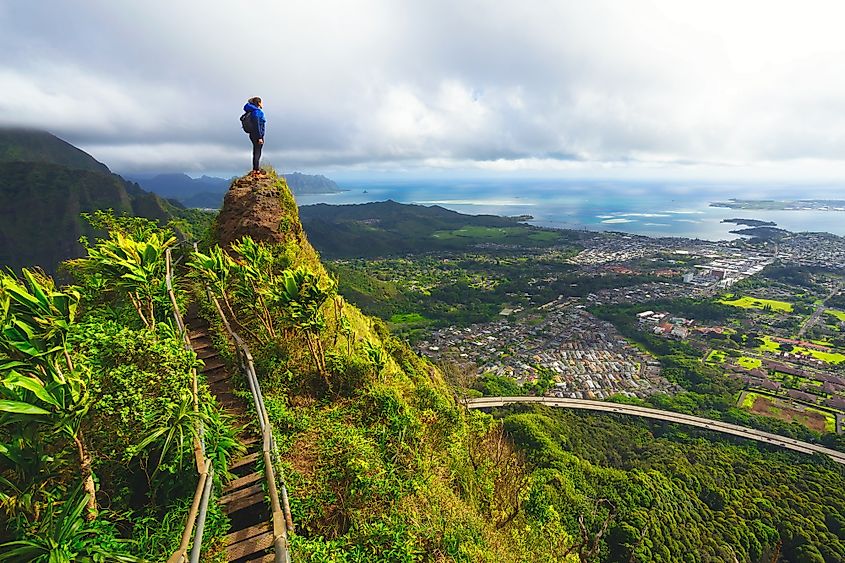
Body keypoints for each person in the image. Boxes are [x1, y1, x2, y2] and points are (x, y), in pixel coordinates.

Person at [243, 97, 266, 176]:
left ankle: (255, 168)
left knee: (255, 151)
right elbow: (257, 124)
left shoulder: (251, 111)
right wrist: (259, 137)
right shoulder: (257, 112)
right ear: (259, 103)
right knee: (257, 151)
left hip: (252, 134)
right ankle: (256, 170)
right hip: (257, 135)